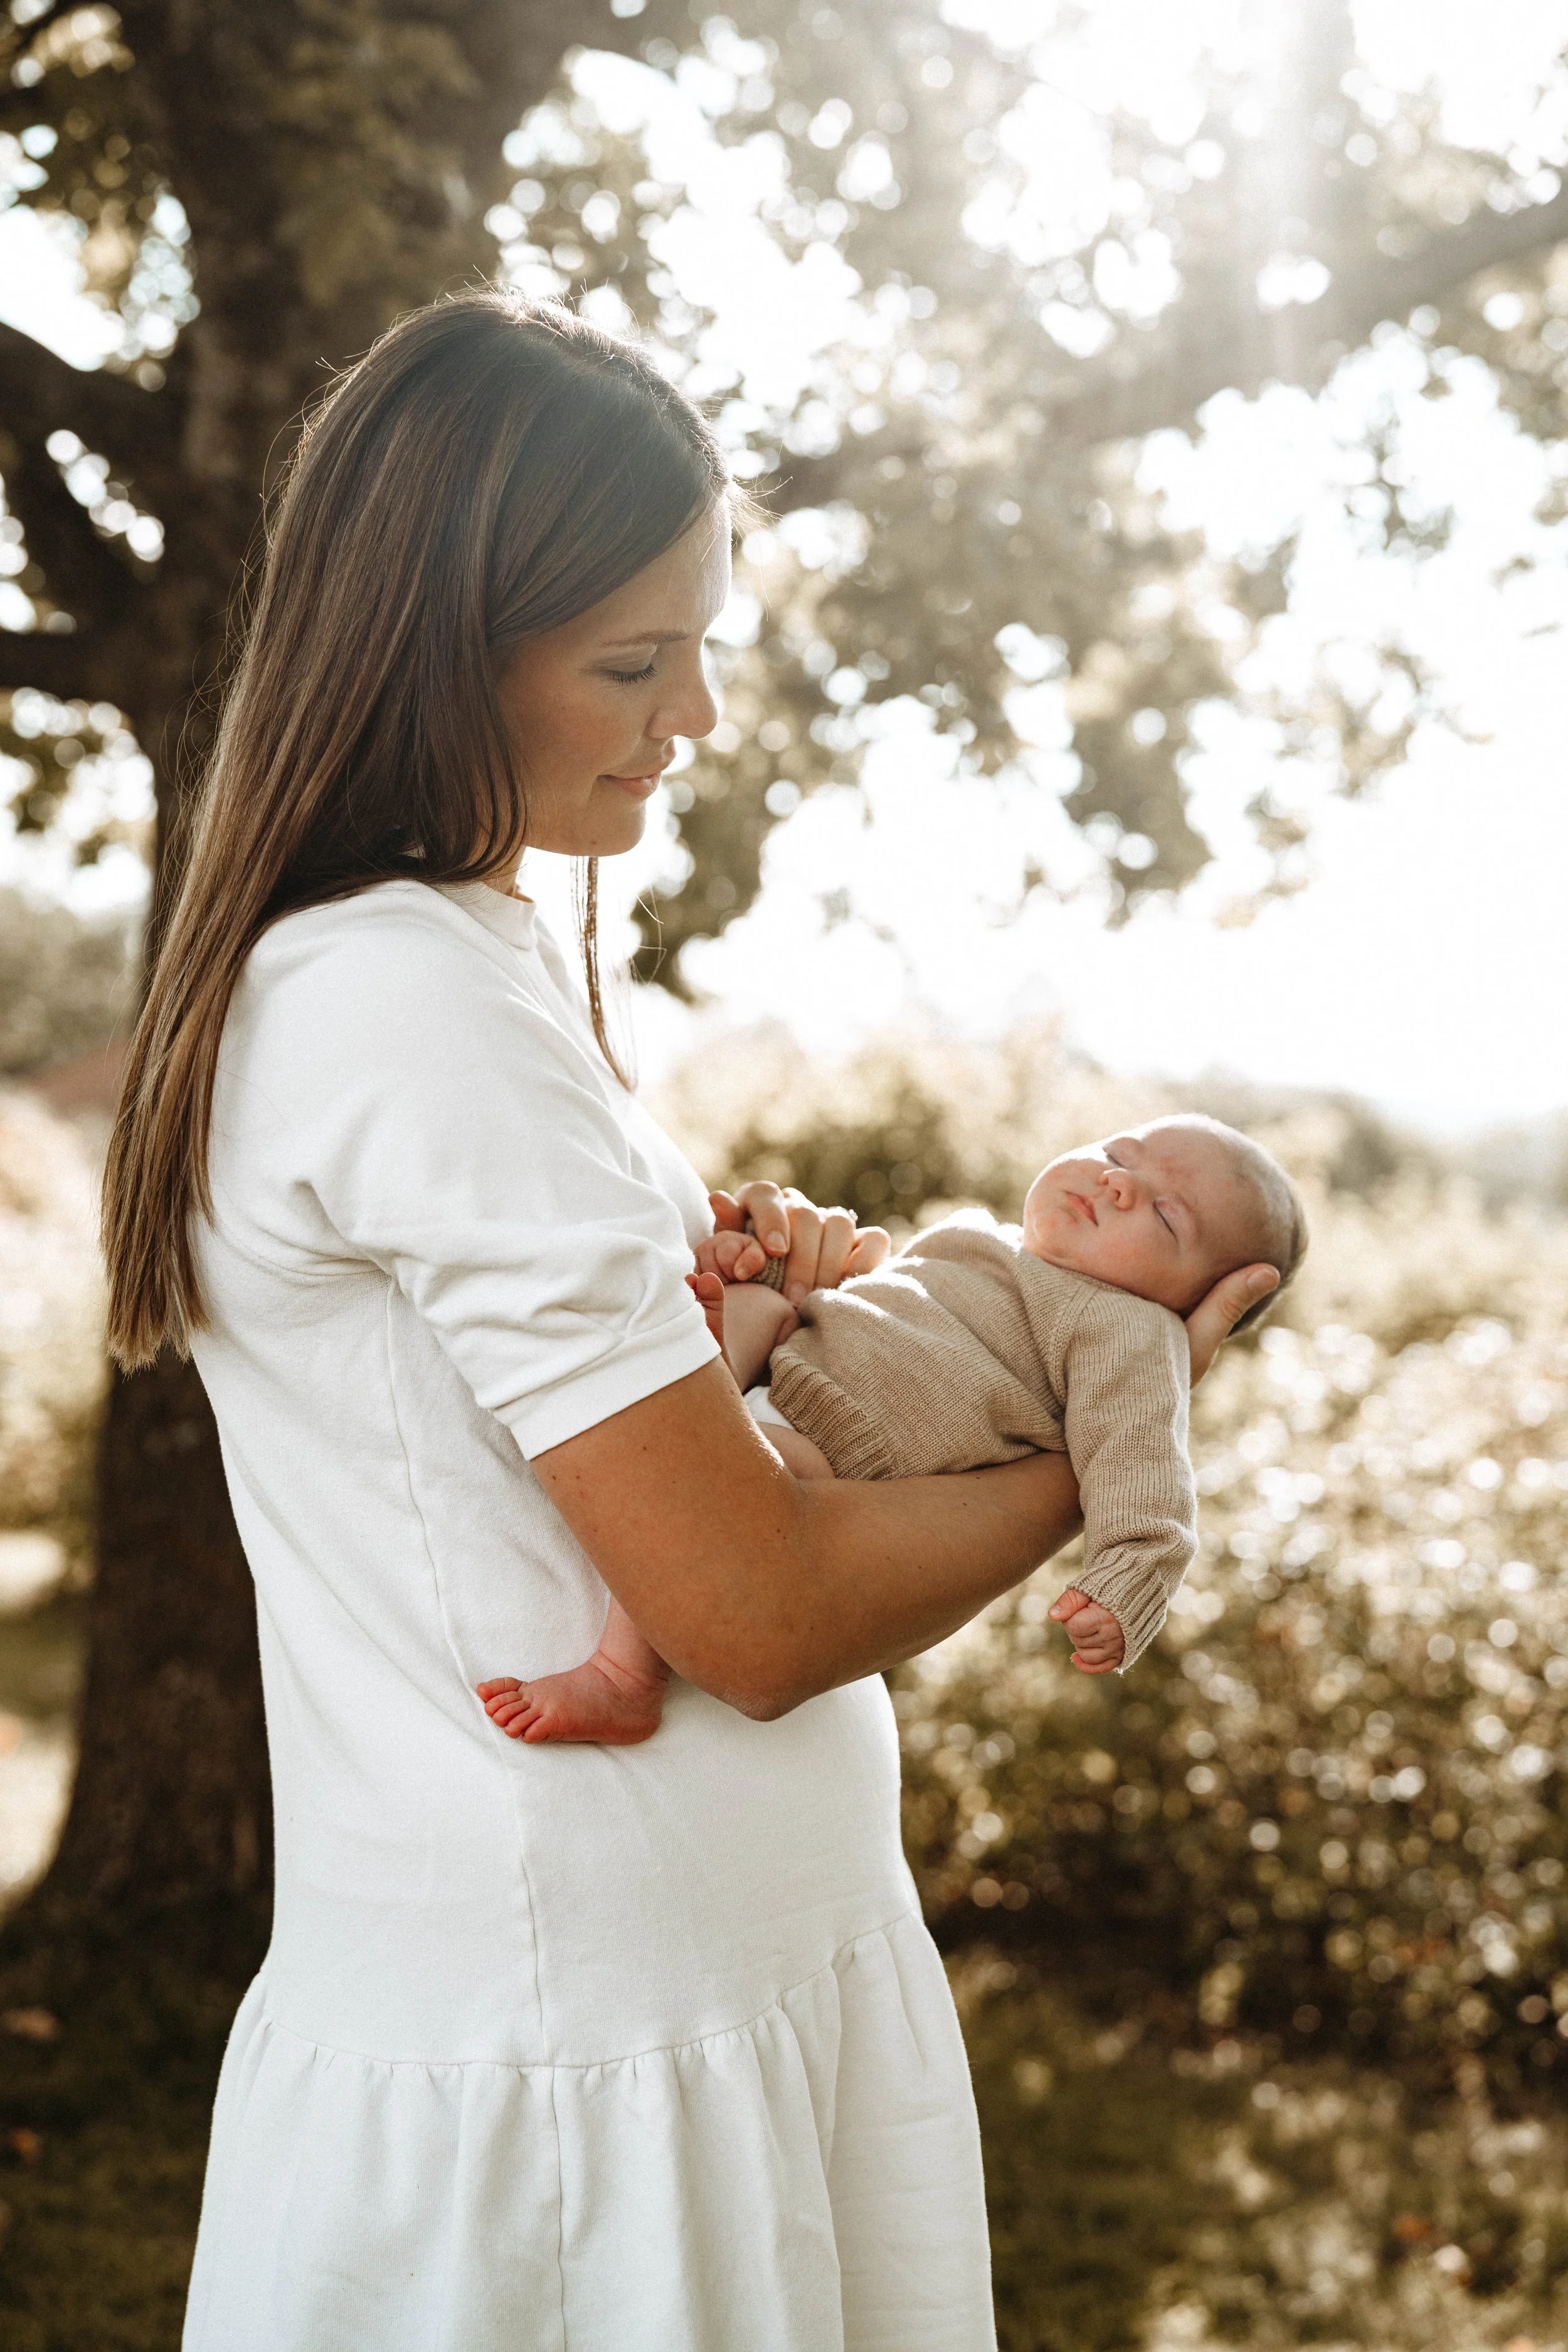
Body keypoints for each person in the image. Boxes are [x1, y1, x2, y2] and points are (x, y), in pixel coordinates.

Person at [101, 289, 1278, 2352]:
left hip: (684, 1995)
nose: (699, 717)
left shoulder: (448, 970)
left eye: (704, 646)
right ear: (431, 654)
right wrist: (1118, 1425)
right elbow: (748, 1606)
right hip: (592, 2073)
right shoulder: (408, 999)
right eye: (636, 662)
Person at [481, 1116, 1306, 1746]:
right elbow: (876, 1304)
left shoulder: (1131, 1331)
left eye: (1165, 1215)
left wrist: (1129, 1581)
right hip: (801, 1354)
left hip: (843, 1446)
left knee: (727, 1472)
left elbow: (1143, 1470)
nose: (1119, 1184)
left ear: (1191, 1300)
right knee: (745, 1307)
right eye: (1121, 1154)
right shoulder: (989, 1237)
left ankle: (624, 1674)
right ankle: (695, 1347)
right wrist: (763, 1268)